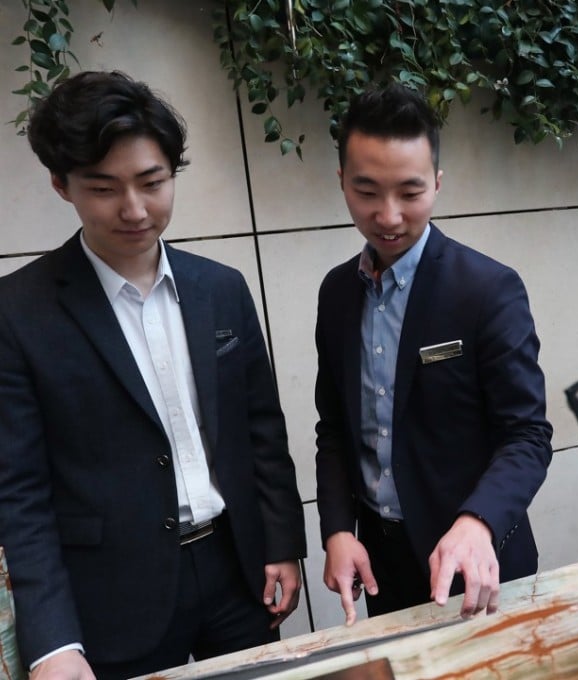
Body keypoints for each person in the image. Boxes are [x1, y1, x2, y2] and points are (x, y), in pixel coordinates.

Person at [0, 71, 306, 679]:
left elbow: (261, 431)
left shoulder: (221, 287)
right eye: (104, 187)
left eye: (152, 182)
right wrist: (53, 642)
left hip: (236, 574)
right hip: (112, 597)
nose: (134, 209)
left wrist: (280, 544)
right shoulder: (17, 313)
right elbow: (19, 493)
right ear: (63, 186)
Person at [314, 84, 553, 625]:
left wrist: (478, 522)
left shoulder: (488, 289)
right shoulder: (336, 293)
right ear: (343, 183)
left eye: (410, 192)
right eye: (367, 191)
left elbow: (528, 436)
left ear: (438, 184)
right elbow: (335, 427)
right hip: (384, 563)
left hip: (479, 560)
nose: (389, 215)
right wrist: (337, 530)